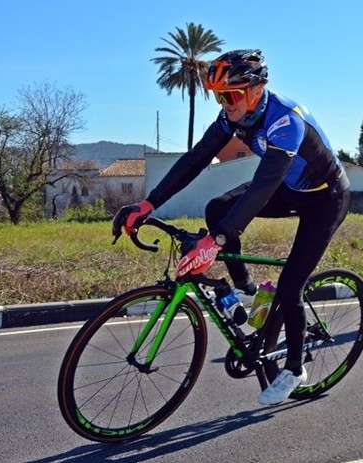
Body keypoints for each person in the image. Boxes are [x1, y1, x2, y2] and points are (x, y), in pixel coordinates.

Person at [112, 49, 350, 405]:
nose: (224, 104)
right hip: (288, 189)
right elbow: (195, 159)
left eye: (231, 95)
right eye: (218, 96)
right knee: (217, 208)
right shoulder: (234, 117)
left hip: (325, 198)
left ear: (256, 88)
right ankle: (246, 289)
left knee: (289, 288)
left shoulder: (286, 119)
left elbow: (264, 184)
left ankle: (295, 367)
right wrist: (148, 203)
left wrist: (216, 241)